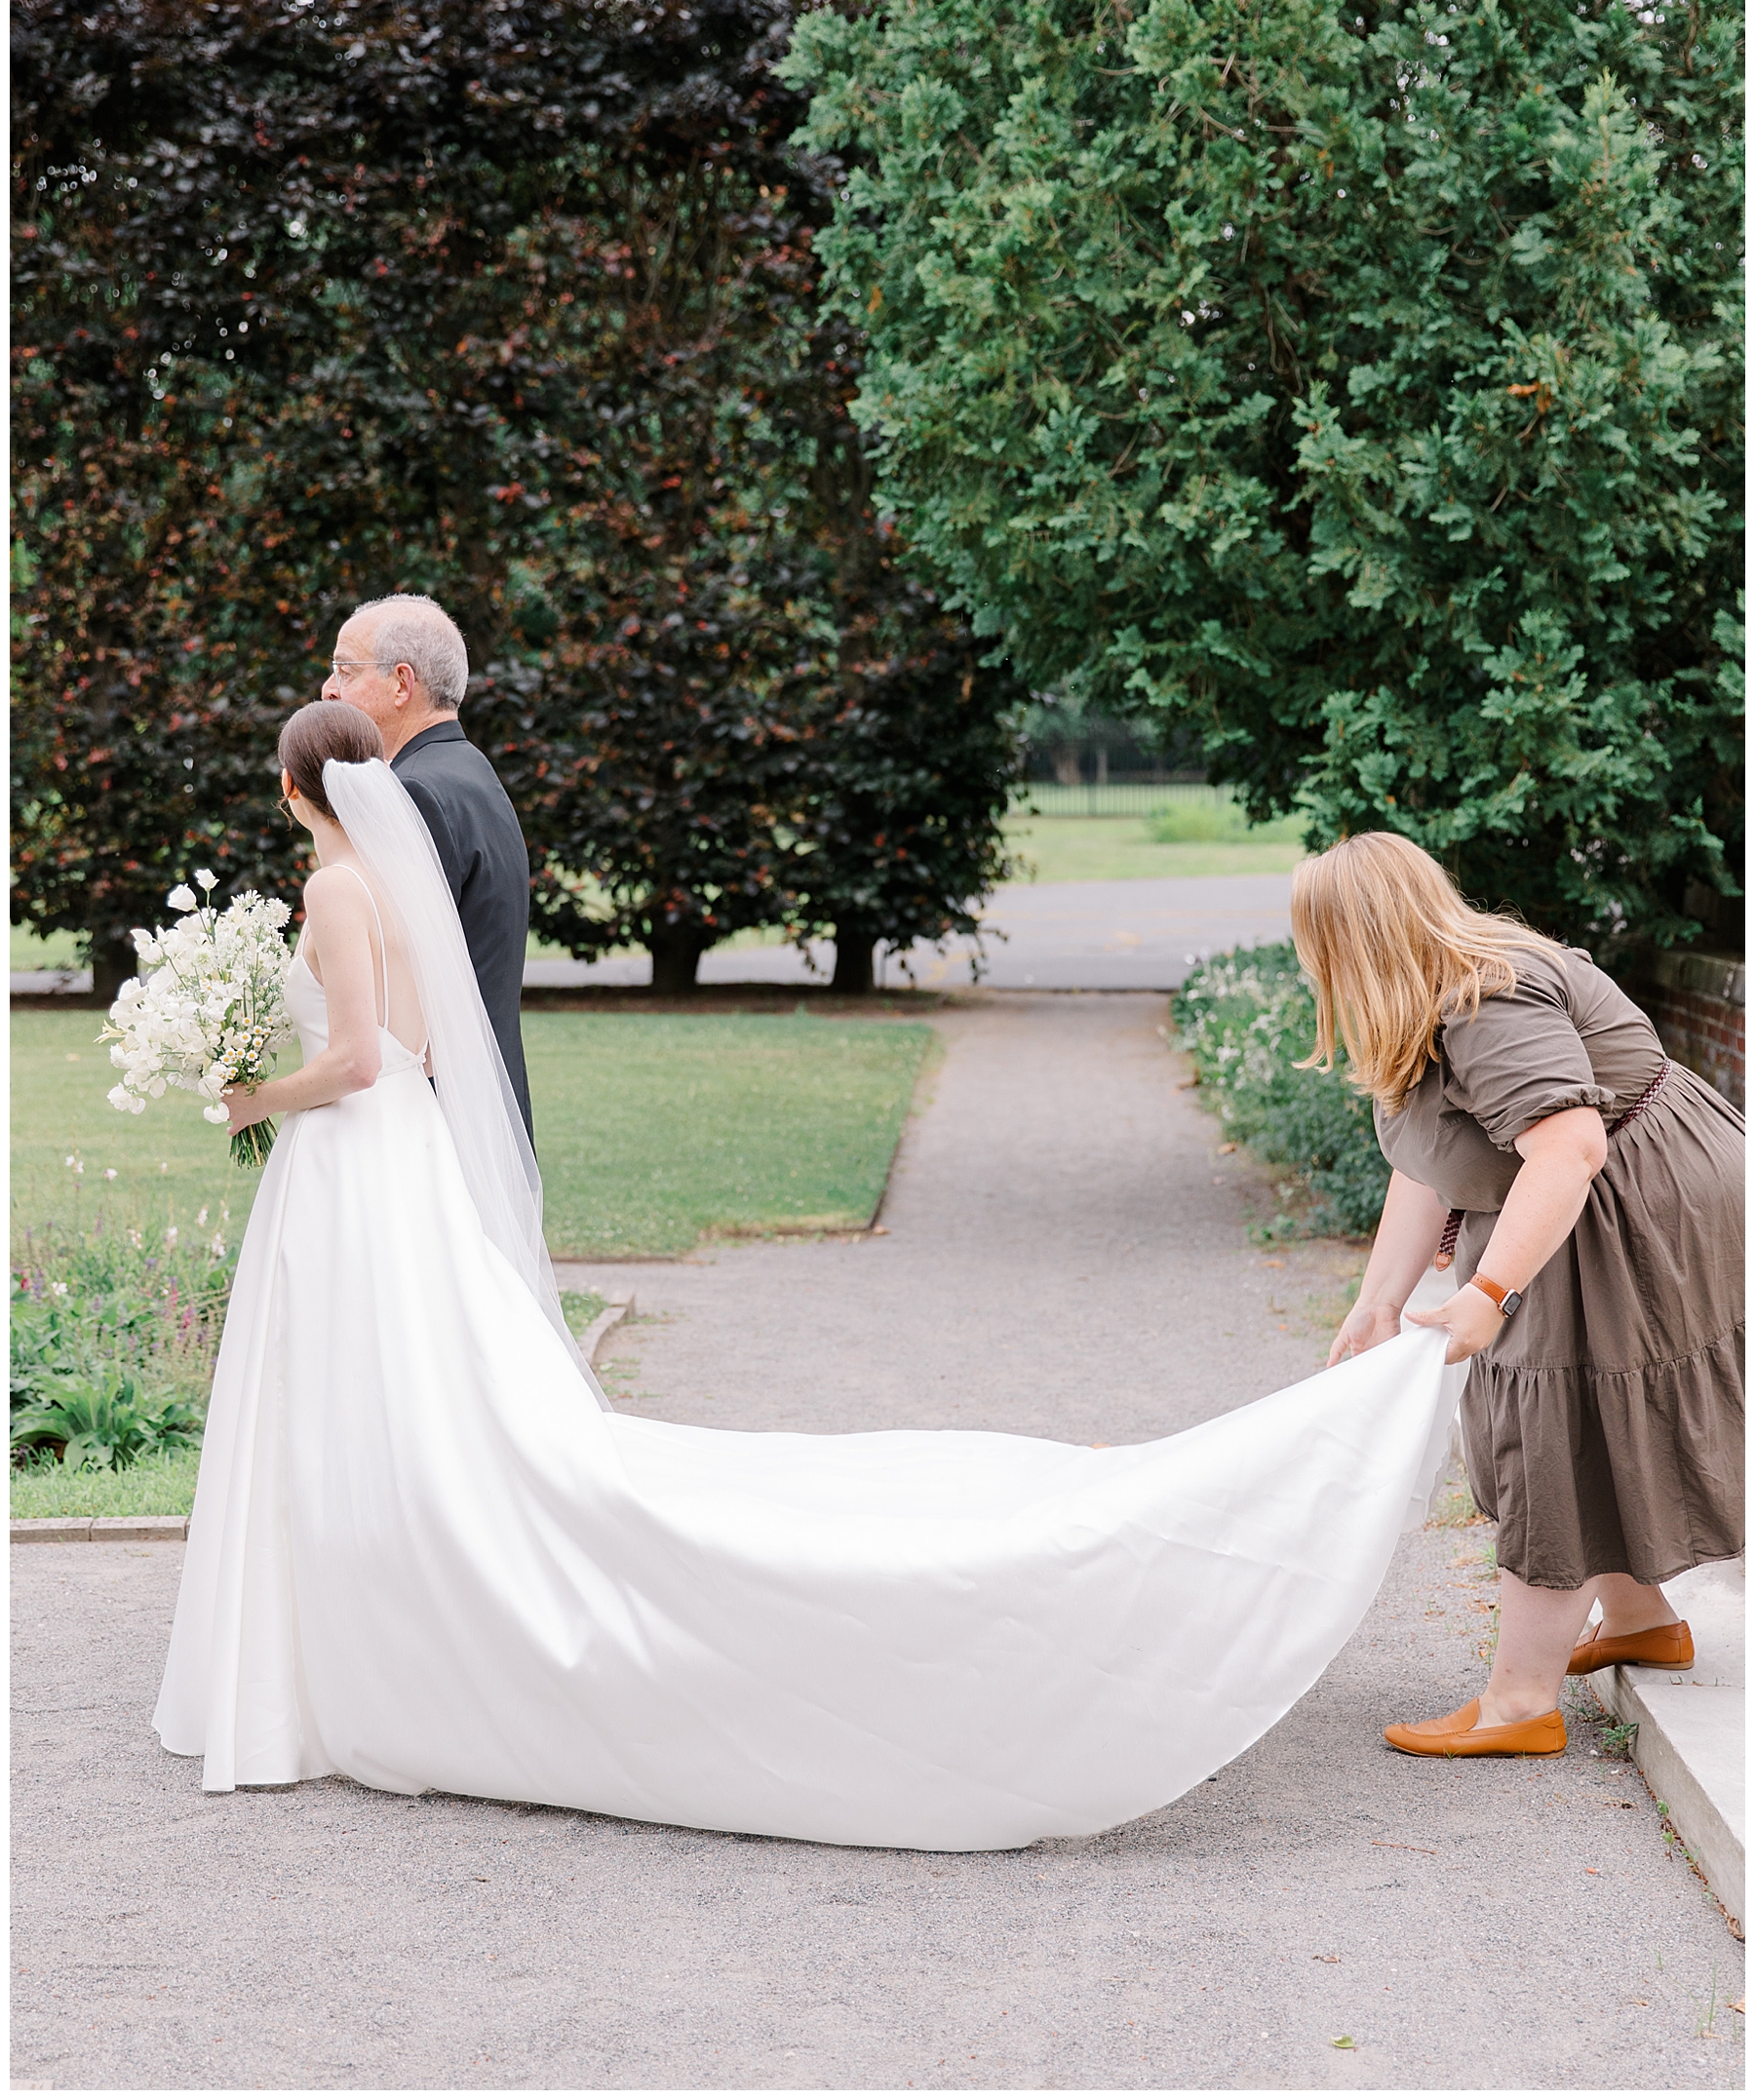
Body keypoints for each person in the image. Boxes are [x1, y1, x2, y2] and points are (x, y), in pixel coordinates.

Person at [155, 705, 1462, 1850]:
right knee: (404, 1388)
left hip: (347, 1155)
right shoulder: (392, 890)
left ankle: (319, 1650)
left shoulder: (333, 892)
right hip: (403, 1165)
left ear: (290, 793)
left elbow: (364, 1059)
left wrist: (249, 1088)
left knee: (347, 1395)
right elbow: (429, 1047)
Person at [1296, 833, 1744, 1760]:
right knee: (1566, 1407)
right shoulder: (1422, 1003)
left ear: (1355, 941)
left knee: (1552, 1420)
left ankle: (1520, 1702)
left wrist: (1492, 1289)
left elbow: (1570, 1145)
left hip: (1628, 1197)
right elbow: (1429, 1165)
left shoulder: (1484, 1003)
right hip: (1571, 1193)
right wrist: (1380, 1298)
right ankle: (1638, 1615)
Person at [321, 593, 533, 1137]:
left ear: (400, 683)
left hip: (438, 1117)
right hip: (484, 1097)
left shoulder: (414, 794)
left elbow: (397, 987)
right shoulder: (468, 770)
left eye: (345, 669)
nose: (329, 689)